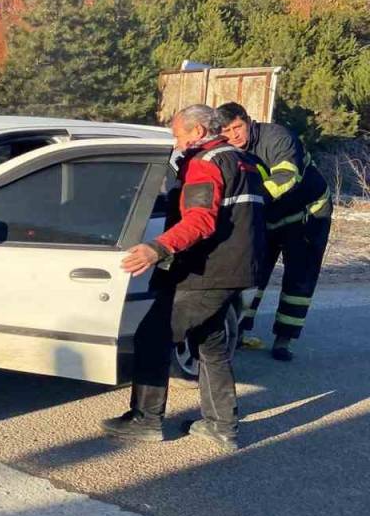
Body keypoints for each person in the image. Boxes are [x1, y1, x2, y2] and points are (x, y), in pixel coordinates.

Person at [101, 104, 265, 451]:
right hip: (236, 268)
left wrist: (156, 248)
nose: (175, 143)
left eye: (178, 135)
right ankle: (222, 426)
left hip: (206, 271)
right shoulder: (244, 160)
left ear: (198, 132)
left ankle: (145, 420)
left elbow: (201, 221)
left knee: (151, 337)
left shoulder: (205, 164)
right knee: (211, 343)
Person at [218, 102, 332, 362]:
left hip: (307, 215)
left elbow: (286, 177)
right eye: (226, 131)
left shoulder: (277, 137)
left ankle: (285, 338)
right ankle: (241, 331)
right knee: (252, 272)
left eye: (238, 127)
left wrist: (249, 202)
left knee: (299, 278)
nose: (234, 135)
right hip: (267, 216)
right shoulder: (226, 149)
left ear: (248, 121)